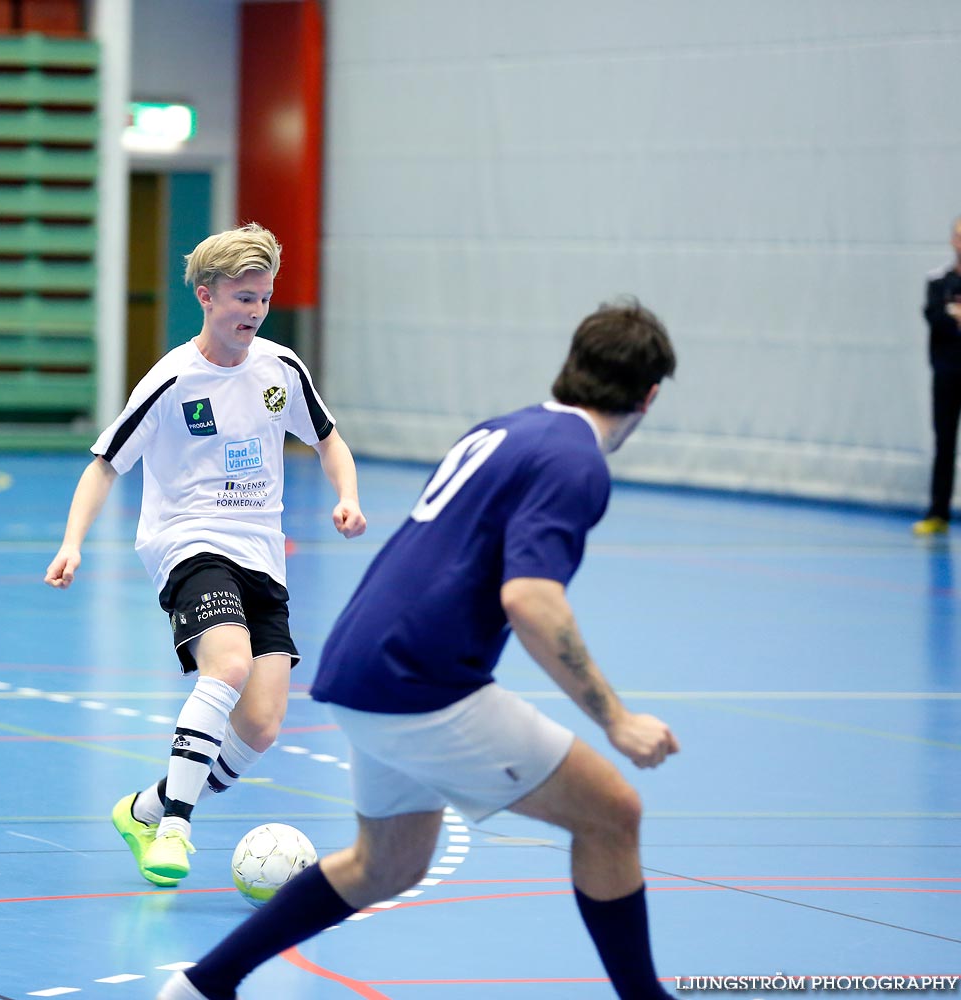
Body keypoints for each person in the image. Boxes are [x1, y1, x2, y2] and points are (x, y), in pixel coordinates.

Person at [159, 298, 681, 1000]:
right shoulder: (574, 459)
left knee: (387, 863)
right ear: (649, 396)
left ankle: (201, 986)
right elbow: (530, 599)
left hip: (358, 668)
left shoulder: (507, 430)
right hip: (421, 685)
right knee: (614, 813)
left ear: (573, 367)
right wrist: (617, 719)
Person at [44, 223, 366, 887]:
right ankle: (176, 829)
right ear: (205, 295)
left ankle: (145, 808)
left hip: (262, 552)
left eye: (264, 299)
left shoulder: (280, 371)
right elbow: (105, 464)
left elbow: (329, 439)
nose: (254, 311)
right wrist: (73, 542)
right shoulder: (172, 380)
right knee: (227, 664)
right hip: (188, 541)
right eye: (243, 298)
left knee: (263, 725)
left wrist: (348, 495)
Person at [913, 215, 961, 536]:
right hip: (947, 374)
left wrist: (957, 313)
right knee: (944, 443)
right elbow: (935, 316)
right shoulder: (939, 281)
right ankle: (938, 513)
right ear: (953, 241)